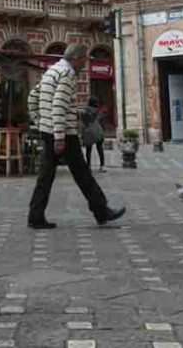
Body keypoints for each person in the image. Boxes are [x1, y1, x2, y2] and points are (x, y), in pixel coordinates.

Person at [27, 44, 126, 230]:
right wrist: (59, 136)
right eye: (84, 59)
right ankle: (101, 211)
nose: (85, 64)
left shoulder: (52, 71)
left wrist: (41, 121)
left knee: (46, 176)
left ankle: (35, 215)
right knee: (82, 173)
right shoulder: (67, 74)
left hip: (51, 130)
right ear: (76, 58)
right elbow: (58, 104)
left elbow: (32, 97)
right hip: (64, 133)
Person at [80, 97, 106, 172]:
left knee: (88, 150)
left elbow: (83, 123)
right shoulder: (98, 112)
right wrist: (103, 132)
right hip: (98, 132)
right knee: (100, 149)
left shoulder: (84, 112)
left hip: (88, 132)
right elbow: (102, 122)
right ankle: (102, 166)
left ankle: (89, 166)